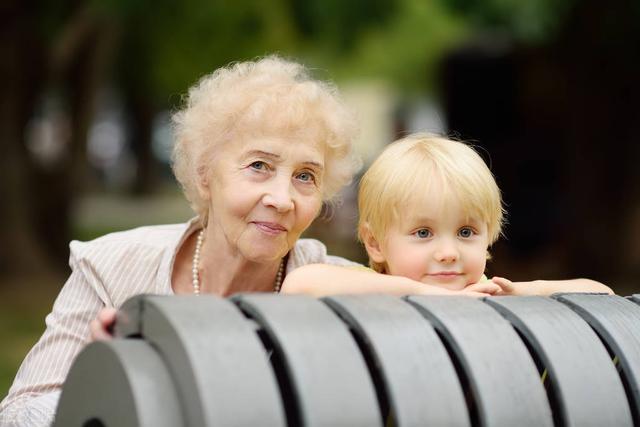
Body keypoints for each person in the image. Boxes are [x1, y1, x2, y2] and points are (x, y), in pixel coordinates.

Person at [280, 133, 613, 296]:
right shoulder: (376, 290)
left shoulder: (486, 294)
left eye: (466, 232)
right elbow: (299, 284)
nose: (448, 253)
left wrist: (523, 292)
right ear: (375, 243)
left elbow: (601, 293)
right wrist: (431, 296)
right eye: (423, 233)